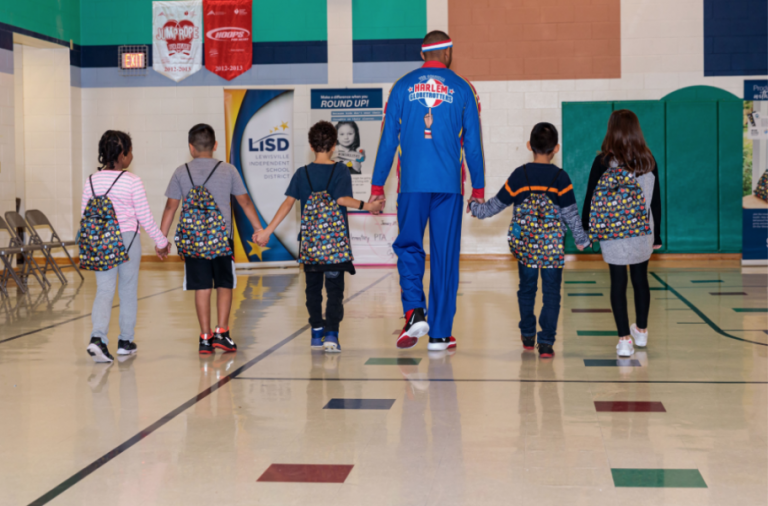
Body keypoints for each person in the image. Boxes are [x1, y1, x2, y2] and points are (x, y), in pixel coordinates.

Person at [368, 30, 485, 352]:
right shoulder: (464, 88)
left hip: (412, 186)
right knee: (446, 258)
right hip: (449, 186)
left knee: (408, 246)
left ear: (423, 54)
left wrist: (377, 185)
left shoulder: (401, 87)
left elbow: (387, 141)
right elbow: (473, 145)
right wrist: (479, 188)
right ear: (446, 53)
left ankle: (414, 310)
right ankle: (440, 334)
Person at [255, 121, 384, 352]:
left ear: (311, 145)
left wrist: (267, 230)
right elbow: (342, 199)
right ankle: (332, 335)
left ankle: (316, 332)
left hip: (311, 248)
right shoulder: (341, 170)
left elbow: (287, 203)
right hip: (335, 248)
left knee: (312, 290)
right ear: (334, 145)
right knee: (335, 291)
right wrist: (369, 205)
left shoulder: (302, 174)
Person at [469, 123, 591, 358]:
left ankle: (527, 335)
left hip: (526, 248)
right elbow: (571, 214)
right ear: (556, 148)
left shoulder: (520, 174)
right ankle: (546, 343)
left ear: (529, 146)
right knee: (552, 293)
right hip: (552, 249)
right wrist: (582, 240)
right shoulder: (561, 177)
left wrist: (475, 208)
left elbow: (495, 205)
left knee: (526, 290)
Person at [159, 124, 264, 355]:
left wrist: (161, 239)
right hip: (221, 241)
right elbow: (244, 202)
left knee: (202, 287)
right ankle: (222, 333)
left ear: (190, 147)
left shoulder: (180, 172)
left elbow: (170, 207)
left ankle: (205, 337)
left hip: (194, 242)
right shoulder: (228, 170)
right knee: (225, 284)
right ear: (215, 145)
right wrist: (259, 229)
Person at [83, 130, 170, 363]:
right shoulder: (132, 181)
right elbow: (145, 217)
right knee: (128, 290)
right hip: (127, 239)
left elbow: (86, 214)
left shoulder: (91, 180)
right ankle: (125, 341)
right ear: (122, 154)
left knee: (104, 289)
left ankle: (98, 338)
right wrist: (162, 242)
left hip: (100, 240)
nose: (132, 155)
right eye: (130, 151)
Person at [581, 110, 662, 357]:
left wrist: (586, 230)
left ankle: (624, 340)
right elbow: (655, 202)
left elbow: (591, 199)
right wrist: (657, 236)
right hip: (642, 232)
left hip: (612, 233)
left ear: (611, 130)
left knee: (618, 282)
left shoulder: (603, 162)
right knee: (641, 280)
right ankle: (642, 331)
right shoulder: (648, 160)